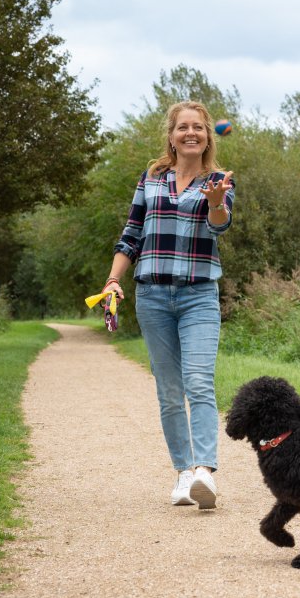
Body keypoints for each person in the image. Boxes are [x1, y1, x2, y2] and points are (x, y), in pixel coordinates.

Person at [102, 100, 235, 509]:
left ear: (208, 135)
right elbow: (132, 233)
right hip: (153, 296)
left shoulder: (219, 180)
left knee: (199, 382)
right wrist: (113, 280)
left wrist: (214, 201)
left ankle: (204, 473)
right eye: (183, 127)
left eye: (198, 127)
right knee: (169, 391)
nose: (190, 133)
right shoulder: (152, 178)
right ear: (172, 136)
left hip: (198, 295)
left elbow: (220, 226)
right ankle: (182, 472)